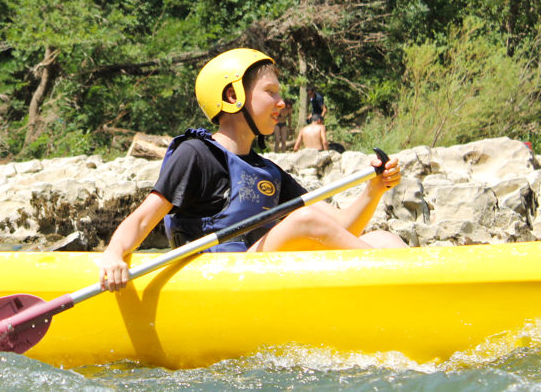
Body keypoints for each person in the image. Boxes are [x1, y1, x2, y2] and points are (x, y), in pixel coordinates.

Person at [98, 48, 405, 291]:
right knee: (305, 220)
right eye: (271, 91)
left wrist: (374, 190)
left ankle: (405, 288)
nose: (282, 102)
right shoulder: (196, 155)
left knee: (384, 239)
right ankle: (395, 287)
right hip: (216, 283)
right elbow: (142, 219)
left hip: (257, 278)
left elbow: (343, 227)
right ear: (233, 96)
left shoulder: (268, 172)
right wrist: (114, 254)